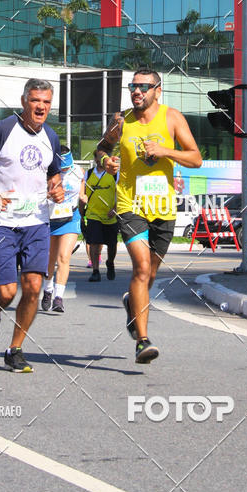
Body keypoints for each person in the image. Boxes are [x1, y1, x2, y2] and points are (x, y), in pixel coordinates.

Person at [98, 67, 202, 364]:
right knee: (141, 269)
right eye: (133, 86)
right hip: (130, 205)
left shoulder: (172, 117)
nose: (137, 92)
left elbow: (195, 158)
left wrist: (165, 151)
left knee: (150, 274)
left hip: (163, 209)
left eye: (144, 87)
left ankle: (133, 303)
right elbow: (101, 149)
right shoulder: (121, 121)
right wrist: (106, 160)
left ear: (158, 90)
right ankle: (142, 341)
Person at [0, 78, 64, 373]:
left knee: (33, 288)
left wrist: (56, 188)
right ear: (24, 101)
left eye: (46, 102)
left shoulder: (51, 136)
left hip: (37, 222)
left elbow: (54, 174)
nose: (41, 107)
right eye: (36, 100)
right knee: (8, 292)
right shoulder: (3, 130)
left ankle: (15, 349)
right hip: (4, 223)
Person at [41, 146, 83, 313]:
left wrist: (84, 200)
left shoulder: (79, 171)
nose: (65, 169)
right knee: (50, 259)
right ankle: (48, 290)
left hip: (71, 218)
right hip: (51, 218)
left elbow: (82, 193)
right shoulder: (47, 172)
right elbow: (38, 194)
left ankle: (59, 298)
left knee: (64, 257)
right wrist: (50, 195)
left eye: (67, 165)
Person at [78, 148, 118, 282]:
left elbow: (121, 195)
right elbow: (82, 195)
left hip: (110, 216)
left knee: (112, 245)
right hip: (93, 215)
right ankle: (95, 271)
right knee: (94, 244)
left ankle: (110, 263)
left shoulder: (114, 175)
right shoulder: (88, 174)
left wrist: (115, 209)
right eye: (98, 158)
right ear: (95, 159)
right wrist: (81, 213)